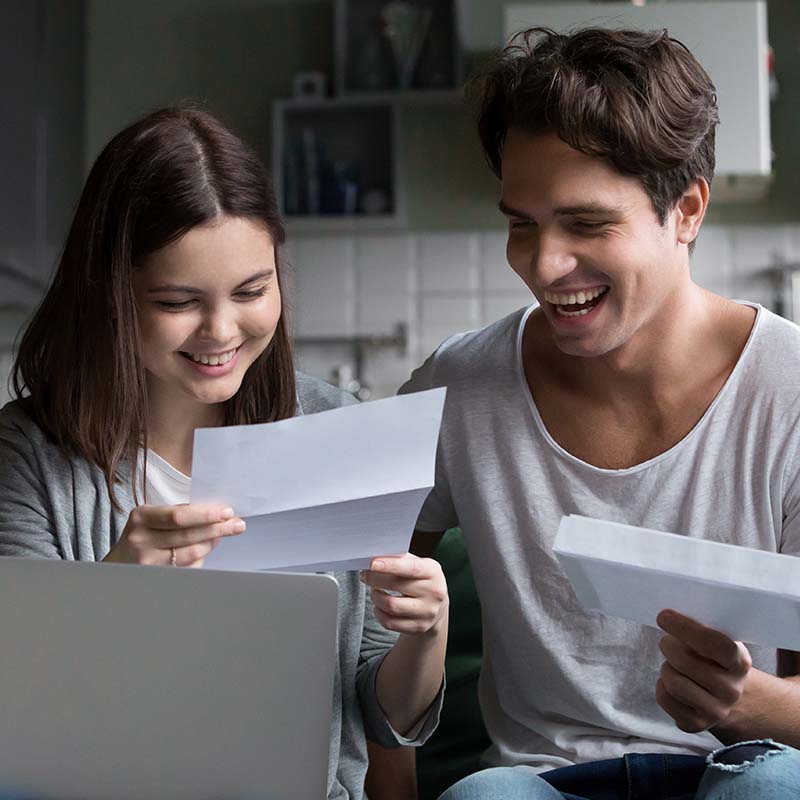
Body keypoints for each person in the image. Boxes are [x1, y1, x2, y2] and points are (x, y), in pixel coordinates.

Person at [0, 105, 448, 800]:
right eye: (178, 300)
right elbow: (22, 712)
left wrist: (426, 634)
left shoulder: (334, 429)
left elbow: (381, 719)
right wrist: (115, 589)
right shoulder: (29, 454)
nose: (221, 331)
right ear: (111, 293)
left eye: (251, 291)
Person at [401, 27, 800, 800]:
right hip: (538, 780)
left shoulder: (791, 391)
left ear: (685, 210)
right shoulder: (460, 384)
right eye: (522, 223)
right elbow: (357, 611)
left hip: (738, 766)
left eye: (586, 224)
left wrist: (745, 702)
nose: (544, 266)